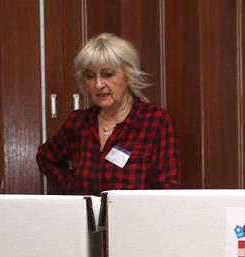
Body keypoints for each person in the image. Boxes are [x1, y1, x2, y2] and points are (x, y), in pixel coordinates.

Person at [37, 33, 181, 195]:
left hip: (135, 212)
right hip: (86, 212)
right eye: (90, 76)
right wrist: (73, 188)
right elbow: (45, 158)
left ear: (128, 75)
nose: (98, 84)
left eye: (108, 74)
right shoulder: (78, 123)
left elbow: (169, 188)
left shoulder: (155, 122)